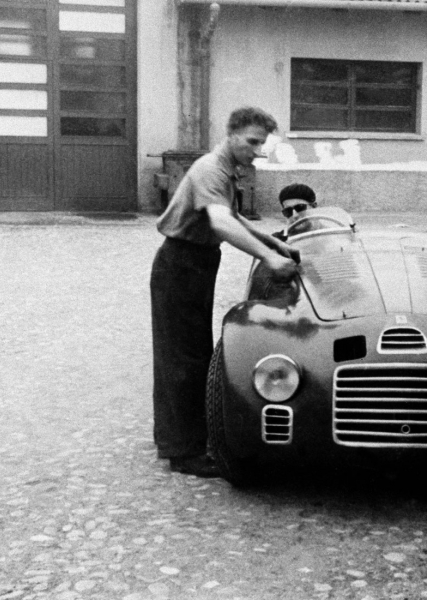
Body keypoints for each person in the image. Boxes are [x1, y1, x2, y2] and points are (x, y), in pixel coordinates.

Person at [150, 107, 300, 478]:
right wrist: (268, 257)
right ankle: (184, 453)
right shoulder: (210, 169)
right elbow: (220, 222)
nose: (256, 150)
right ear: (231, 135)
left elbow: (233, 218)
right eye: (251, 141)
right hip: (181, 262)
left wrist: (275, 244)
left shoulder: (226, 170)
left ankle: (173, 439)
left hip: (197, 262)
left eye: (261, 143)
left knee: (188, 351)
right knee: (183, 357)